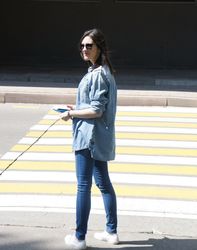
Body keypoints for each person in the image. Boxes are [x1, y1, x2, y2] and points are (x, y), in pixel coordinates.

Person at [61, 28, 118, 250]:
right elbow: (94, 106)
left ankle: (79, 237)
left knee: (83, 185)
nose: (84, 49)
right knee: (104, 184)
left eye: (89, 46)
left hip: (89, 137)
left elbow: (97, 110)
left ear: (99, 48)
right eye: (82, 46)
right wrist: (77, 107)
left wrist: (72, 114)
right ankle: (111, 232)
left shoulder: (98, 75)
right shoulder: (103, 72)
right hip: (98, 137)